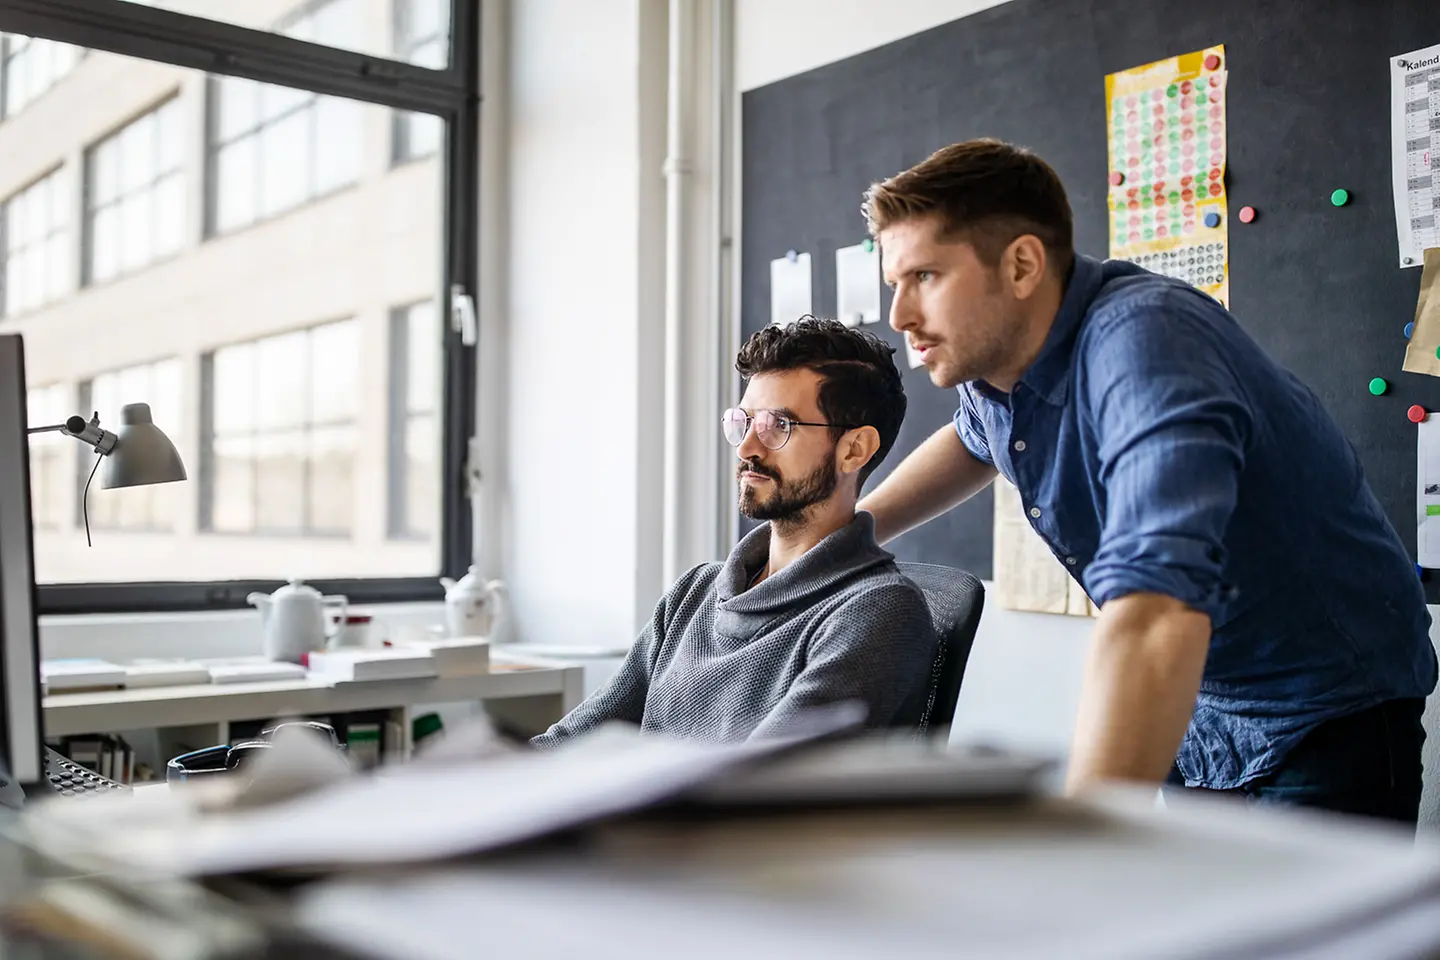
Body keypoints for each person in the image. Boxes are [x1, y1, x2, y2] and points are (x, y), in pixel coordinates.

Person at [857, 138, 1437, 823]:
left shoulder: (1145, 343)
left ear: (1020, 265)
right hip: (1201, 711)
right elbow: (971, 438)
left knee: (1281, 932)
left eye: (924, 276)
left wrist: (1081, 836)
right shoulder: (1003, 365)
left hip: (1321, 711)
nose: (898, 317)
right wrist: (849, 535)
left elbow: (1157, 610)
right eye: (895, 282)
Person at [532, 318, 938, 748]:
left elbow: (755, 788)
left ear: (854, 449)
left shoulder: (877, 611)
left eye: (778, 426)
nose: (747, 447)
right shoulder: (694, 593)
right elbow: (571, 741)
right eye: (743, 422)